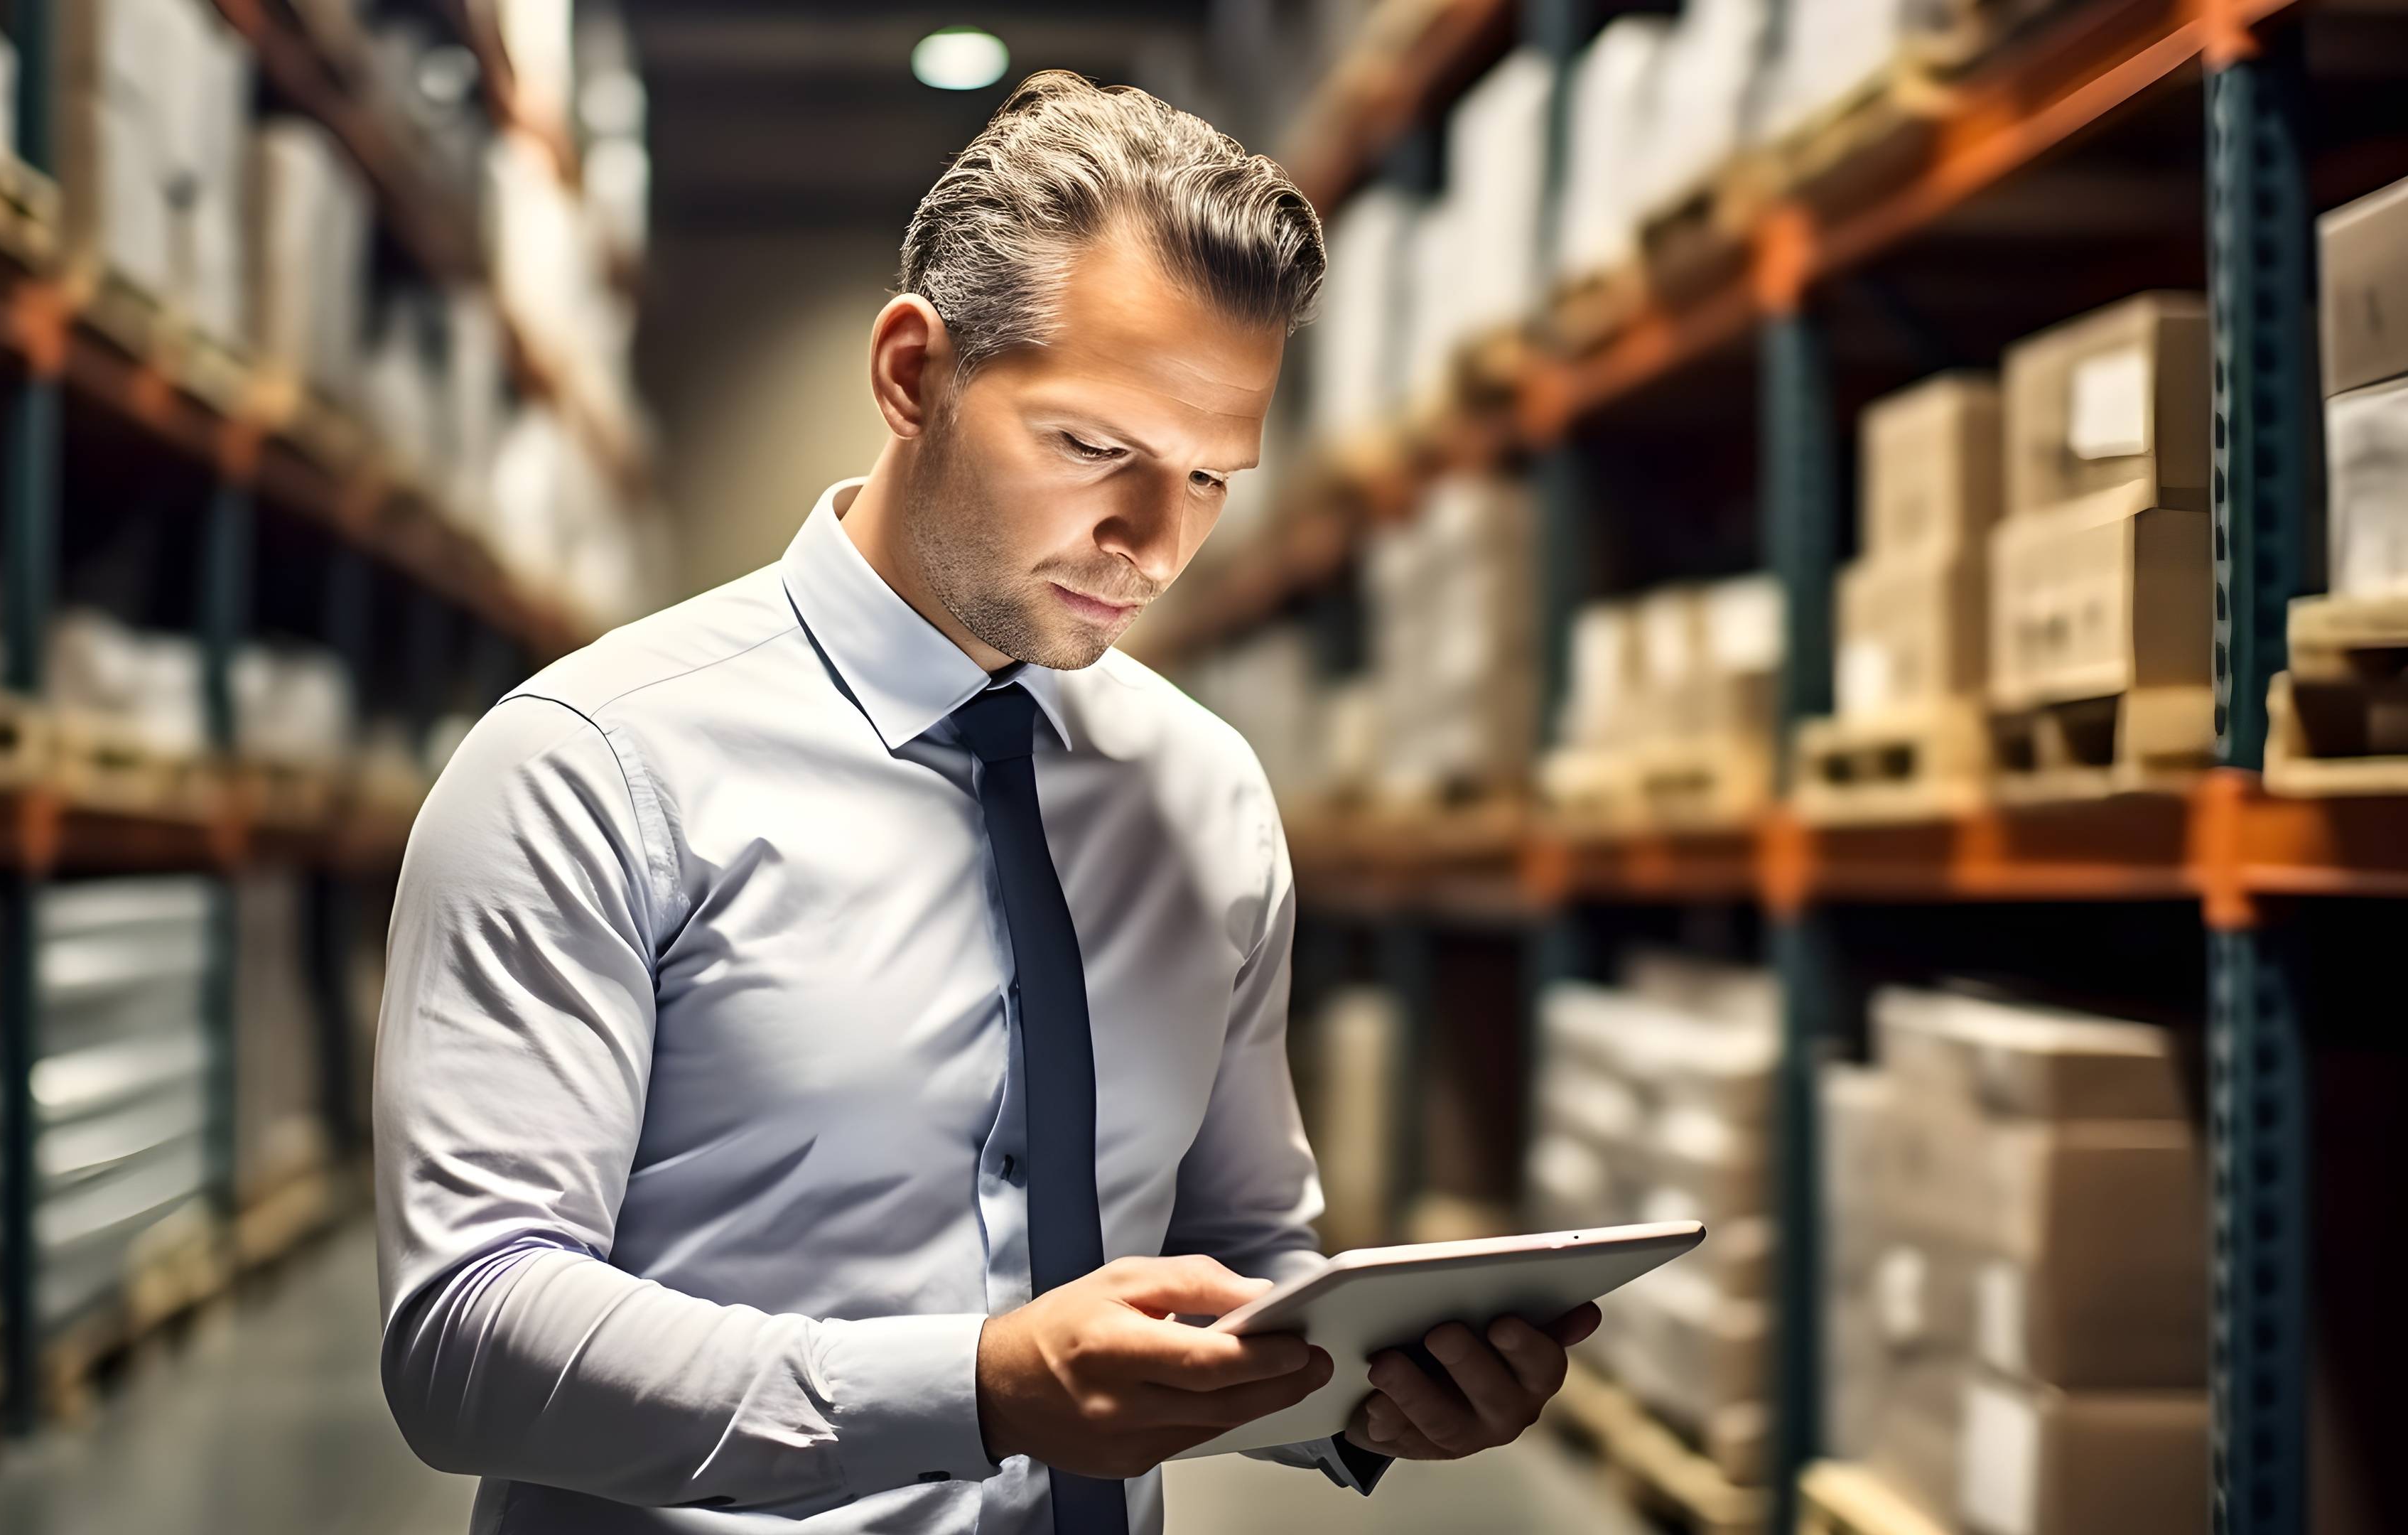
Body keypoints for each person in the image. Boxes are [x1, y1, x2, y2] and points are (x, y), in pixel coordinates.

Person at [374, 70, 1599, 1534]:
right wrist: (973, 1387)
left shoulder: (1201, 798)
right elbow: (465, 1342)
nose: (1153, 545)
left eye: (1211, 477)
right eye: (1096, 450)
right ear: (912, 374)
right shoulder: (590, 770)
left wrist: (1364, 1393)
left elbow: (1241, 1254)